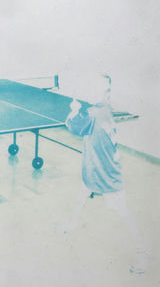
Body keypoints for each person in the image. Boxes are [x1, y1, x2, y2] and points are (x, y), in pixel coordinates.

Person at [57, 74, 149, 274]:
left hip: (105, 173)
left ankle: (142, 252)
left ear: (104, 92)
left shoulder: (92, 114)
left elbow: (73, 126)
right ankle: (72, 222)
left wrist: (73, 111)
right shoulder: (106, 109)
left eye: (94, 88)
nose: (89, 90)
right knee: (82, 194)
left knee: (123, 213)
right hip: (96, 167)